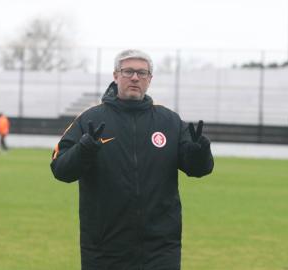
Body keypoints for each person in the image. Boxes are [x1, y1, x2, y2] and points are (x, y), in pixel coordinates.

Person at [50, 49, 214, 270]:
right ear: (116, 76)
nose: (135, 77)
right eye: (128, 71)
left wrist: (199, 151)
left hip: (160, 247)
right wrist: (85, 149)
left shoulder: (169, 121)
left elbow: (199, 169)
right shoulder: (91, 119)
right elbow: (61, 169)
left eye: (142, 73)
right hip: (104, 247)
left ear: (150, 79)